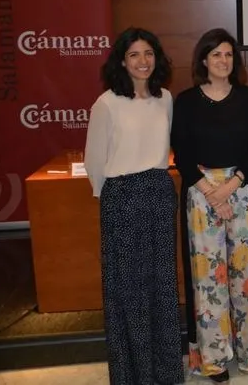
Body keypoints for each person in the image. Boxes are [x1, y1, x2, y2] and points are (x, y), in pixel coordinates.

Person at [84, 27, 183, 385]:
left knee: (161, 285)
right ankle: (133, 373)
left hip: (158, 193)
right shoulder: (107, 103)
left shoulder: (165, 98)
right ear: (122, 62)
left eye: (148, 54)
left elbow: (165, 144)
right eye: (134, 55)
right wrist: (110, 197)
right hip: (122, 199)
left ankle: (166, 371)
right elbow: (94, 160)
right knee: (128, 289)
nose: (143, 61)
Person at [171, 28, 248, 382]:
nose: (223, 61)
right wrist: (213, 193)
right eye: (216, 55)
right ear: (203, 61)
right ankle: (213, 359)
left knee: (245, 278)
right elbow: (181, 156)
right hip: (200, 196)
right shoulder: (185, 101)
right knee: (209, 280)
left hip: (240, 192)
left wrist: (229, 187)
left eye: (228, 55)